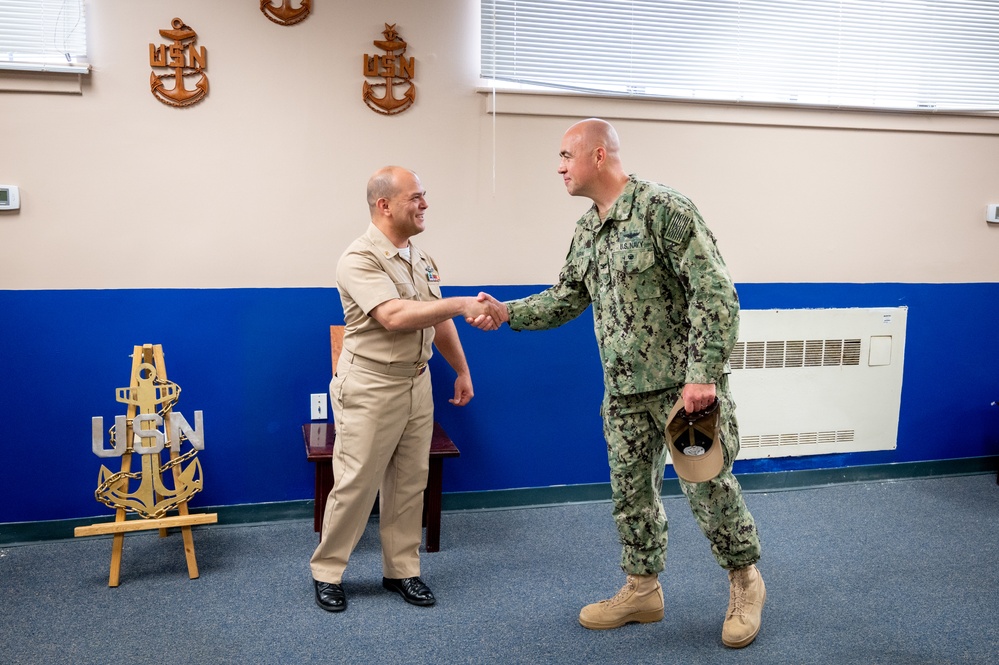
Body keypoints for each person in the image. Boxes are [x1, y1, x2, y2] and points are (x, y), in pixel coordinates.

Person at [477, 119, 765, 648]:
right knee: (631, 496)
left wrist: (701, 375)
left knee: (708, 488)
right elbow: (564, 297)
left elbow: (715, 293)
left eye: (566, 155)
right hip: (624, 394)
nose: (559, 166)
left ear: (599, 155)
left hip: (685, 392)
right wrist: (508, 313)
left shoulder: (663, 209)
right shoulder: (589, 231)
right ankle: (642, 590)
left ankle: (746, 583)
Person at [311, 165, 502, 613]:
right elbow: (394, 316)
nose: (425, 204)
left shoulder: (421, 259)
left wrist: (462, 370)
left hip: (416, 382)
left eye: (423, 196)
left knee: (410, 482)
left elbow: (438, 317)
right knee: (356, 483)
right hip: (370, 385)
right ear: (385, 205)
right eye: (415, 196)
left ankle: (402, 570)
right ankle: (327, 571)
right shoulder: (358, 258)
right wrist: (459, 303)